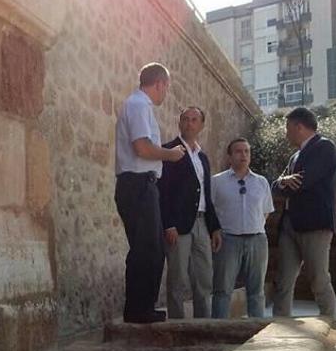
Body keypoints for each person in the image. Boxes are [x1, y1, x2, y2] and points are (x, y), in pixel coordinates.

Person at [114, 62, 186, 324]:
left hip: (143, 185)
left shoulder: (139, 106)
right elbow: (142, 148)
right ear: (160, 84)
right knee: (146, 249)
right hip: (137, 184)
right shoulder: (138, 105)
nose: (166, 93)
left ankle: (143, 307)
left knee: (153, 248)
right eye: (166, 87)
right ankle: (137, 310)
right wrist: (171, 154)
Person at [270, 107, 336, 319]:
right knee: (284, 280)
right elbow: (275, 186)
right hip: (290, 225)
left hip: (315, 225)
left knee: (318, 278)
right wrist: (283, 181)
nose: (286, 133)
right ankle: (279, 327)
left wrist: (285, 183)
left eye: (288, 127)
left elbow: (302, 182)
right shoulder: (295, 156)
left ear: (299, 126)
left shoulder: (324, 147)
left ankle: (331, 323)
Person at [158, 106, 222, 318]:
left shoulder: (202, 158)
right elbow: (163, 191)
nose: (189, 123)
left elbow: (206, 193)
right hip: (179, 226)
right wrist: (168, 224)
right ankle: (177, 325)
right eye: (185, 119)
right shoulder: (169, 150)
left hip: (203, 224)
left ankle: (203, 325)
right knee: (177, 279)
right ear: (179, 123)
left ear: (202, 125)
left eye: (194, 119)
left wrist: (215, 228)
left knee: (204, 278)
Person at [211, 138, 274, 318]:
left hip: (257, 240)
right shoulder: (217, 182)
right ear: (229, 156)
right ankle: (218, 330)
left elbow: (266, 211)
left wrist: (253, 226)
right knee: (222, 289)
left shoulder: (261, 182)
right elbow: (211, 210)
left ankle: (256, 331)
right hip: (228, 240)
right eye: (238, 151)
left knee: (256, 291)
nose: (243, 155)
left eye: (246, 151)